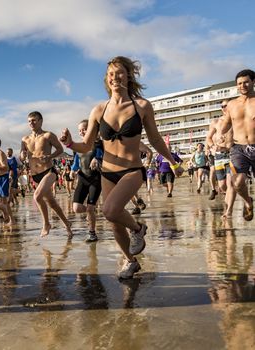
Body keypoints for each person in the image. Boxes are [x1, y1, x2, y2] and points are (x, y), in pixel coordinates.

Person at [60, 56, 183, 279]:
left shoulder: (142, 106)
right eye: (110, 74)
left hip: (132, 170)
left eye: (119, 73)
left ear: (128, 76)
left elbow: (155, 140)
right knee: (114, 222)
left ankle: (138, 229)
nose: (115, 77)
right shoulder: (99, 109)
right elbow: (86, 145)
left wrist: (173, 163)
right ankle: (130, 261)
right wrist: (68, 143)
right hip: (108, 172)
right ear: (106, 80)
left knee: (109, 210)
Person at [21, 111, 73, 238]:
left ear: (40, 121)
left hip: (49, 171)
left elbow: (60, 150)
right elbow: (22, 155)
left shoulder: (48, 135)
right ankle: (67, 224)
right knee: (51, 202)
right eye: (29, 121)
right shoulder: (25, 139)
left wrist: (50, 156)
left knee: (37, 196)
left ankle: (46, 224)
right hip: (35, 174)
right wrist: (22, 155)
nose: (31, 123)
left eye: (34, 120)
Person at [219, 69, 255, 221]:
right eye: (239, 83)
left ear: (253, 82)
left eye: (246, 82)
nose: (243, 85)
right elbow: (226, 123)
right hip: (238, 148)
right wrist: (220, 134)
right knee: (237, 182)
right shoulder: (232, 104)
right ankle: (248, 201)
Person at [70, 120, 103, 242]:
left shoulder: (98, 143)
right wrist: (72, 170)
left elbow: (102, 155)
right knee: (76, 208)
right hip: (82, 178)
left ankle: (92, 233)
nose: (81, 132)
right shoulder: (78, 147)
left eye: (83, 129)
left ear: (90, 130)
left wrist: (97, 158)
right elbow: (76, 162)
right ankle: (91, 213)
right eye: (79, 130)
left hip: (95, 179)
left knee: (90, 207)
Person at [206, 100, 236, 218]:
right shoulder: (216, 122)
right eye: (223, 106)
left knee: (230, 183)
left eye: (227, 106)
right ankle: (245, 197)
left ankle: (228, 210)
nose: (225, 108)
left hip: (232, 154)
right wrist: (212, 146)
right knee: (222, 186)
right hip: (218, 156)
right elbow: (208, 137)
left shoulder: (235, 120)